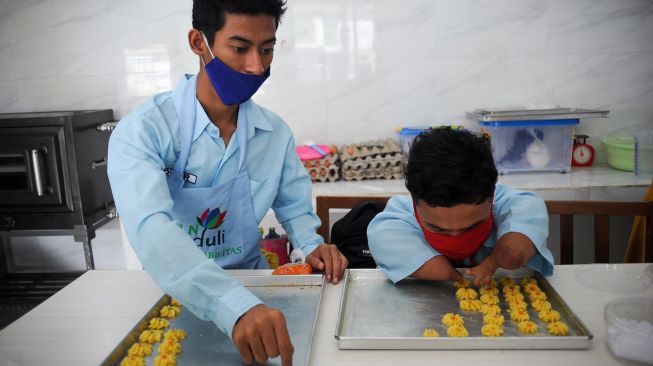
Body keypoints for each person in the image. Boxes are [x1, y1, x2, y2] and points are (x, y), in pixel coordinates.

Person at [107, 1, 348, 365]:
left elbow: (294, 206)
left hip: (256, 291)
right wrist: (233, 307)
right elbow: (151, 229)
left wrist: (310, 244)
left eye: (267, 50)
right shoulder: (144, 132)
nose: (256, 66)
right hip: (173, 294)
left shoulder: (273, 133)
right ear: (198, 43)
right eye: (240, 49)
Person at [367, 127, 553, 286]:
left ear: (493, 192)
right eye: (438, 229)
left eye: (472, 227)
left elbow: (520, 234)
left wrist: (497, 260)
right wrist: (450, 276)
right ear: (414, 200)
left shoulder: (514, 205)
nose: (456, 239)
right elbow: (382, 236)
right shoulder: (396, 220)